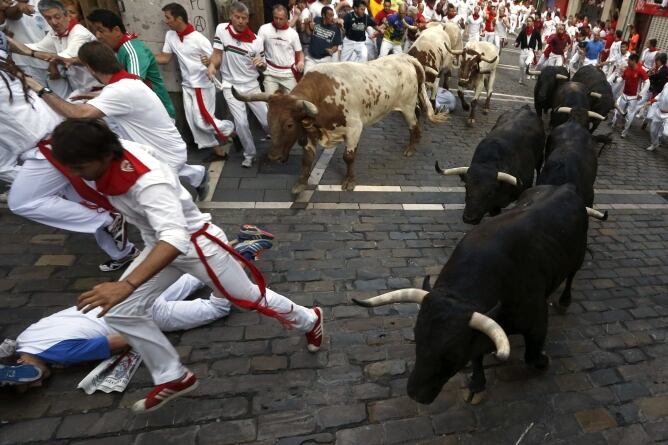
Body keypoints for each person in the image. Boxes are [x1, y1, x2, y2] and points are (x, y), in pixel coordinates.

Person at [48, 118, 324, 413]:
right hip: (161, 244)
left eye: (79, 168)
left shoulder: (148, 182)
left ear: (104, 155)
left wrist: (125, 284)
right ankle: (173, 377)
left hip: (197, 246)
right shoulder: (109, 154)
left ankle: (310, 319)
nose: (75, 175)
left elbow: (175, 239)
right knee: (120, 310)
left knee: (248, 298)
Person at [0, 231, 272, 388]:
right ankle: (239, 243)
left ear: (22, 363)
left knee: (217, 308)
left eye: (29, 382)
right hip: (130, 295)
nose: (34, 386)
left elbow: (125, 340)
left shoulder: (60, 353)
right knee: (190, 276)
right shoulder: (25, 337)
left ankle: (243, 257)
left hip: (139, 316)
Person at [0, 45, 138, 272]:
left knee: (22, 202)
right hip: (48, 137)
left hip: (45, 145)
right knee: (82, 201)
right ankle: (124, 251)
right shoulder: (5, 65)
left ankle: (109, 221)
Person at [23, 41, 209, 196]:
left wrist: (40, 89)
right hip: (167, 148)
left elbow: (78, 114)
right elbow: (122, 99)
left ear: (90, 68)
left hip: (163, 157)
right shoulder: (127, 83)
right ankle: (199, 176)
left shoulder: (119, 90)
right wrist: (99, 98)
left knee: (169, 204)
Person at [154, 3, 233, 162]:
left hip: (201, 86)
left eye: (168, 18)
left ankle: (231, 130)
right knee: (194, 123)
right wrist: (144, 56)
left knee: (203, 122)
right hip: (187, 86)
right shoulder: (171, 35)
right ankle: (219, 152)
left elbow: (216, 61)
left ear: (179, 18)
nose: (166, 21)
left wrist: (208, 62)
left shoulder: (198, 39)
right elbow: (165, 57)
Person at [208, 1, 269, 169]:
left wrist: (261, 64)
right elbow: (217, 54)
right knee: (241, 123)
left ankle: (275, 139)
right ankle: (249, 154)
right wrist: (213, 66)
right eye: (237, 17)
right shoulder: (221, 30)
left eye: (244, 18)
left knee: (266, 121)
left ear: (248, 19)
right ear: (231, 16)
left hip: (252, 85)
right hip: (230, 86)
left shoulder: (256, 41)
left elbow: (264, 67)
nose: (241, 21)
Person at [86, 9, 176, 119]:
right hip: (144, 111)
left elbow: (134, 86)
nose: (98, 36)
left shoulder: (132, 50)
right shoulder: (121, 47)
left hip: (158, 114)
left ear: (116, 30)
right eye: (96, 31)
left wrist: (101, 98)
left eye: (101, 31)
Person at [7, 0, 97, 98]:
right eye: (48, 18)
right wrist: (5, 41)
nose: (53, 22)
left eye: (57, 17)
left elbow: (63, 58)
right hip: (80, 91)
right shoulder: (54, 34)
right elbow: (33, 48)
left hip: (97, 90)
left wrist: (52, 63)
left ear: (67, 15)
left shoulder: (79, 34)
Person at [1, 0, 50, 86]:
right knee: (40, 96)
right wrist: (19, 7)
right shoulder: (8, 4)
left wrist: (52, 62)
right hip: (25, 63)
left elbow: (49, 32)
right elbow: (12, 14)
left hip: (47, 59)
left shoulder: (40, 2)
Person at [258, 4, 304, 93]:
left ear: (287, 18)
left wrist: (301, 61)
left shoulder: (293, 34)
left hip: (288, 74)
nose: (278, 21)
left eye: (281, 19)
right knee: (270, 101)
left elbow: (299, 52)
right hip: (270, 73)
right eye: (276, 18)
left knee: (292, 102)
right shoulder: (264, 29)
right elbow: (258, 48)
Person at [610, 53, 649, 138]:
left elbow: (647, 82)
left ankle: (624, 133)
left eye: (629, 60)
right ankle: (614, 123)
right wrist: (616, 80)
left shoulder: (640, 71)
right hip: (624, 95)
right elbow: (623, 78)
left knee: (629, 116)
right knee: (618, 112)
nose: (627, 62)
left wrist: (641, 94)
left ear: (634, 61)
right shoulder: (627, 69)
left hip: (633, 97)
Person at [304, 5, 342, 71]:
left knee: (323, 80)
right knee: (306, 77)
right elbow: (309, 33)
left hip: (325, 59)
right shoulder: (316, 20)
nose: (332, 18)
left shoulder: (336, 28)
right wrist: (307, 24)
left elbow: (336, 45)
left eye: (333, 15)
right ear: (323, 15)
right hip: (311, 58)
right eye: (330, 15)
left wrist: (332, 50)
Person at [515, 16, 541, 85]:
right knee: (521, 66)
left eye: (530, 21)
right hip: (523, 51)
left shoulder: (536, 31)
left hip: (530, 51)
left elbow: (539, 41)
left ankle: (528, 70)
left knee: (527, 62)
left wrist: (539, 49)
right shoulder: (523, 31)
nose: (528, 22)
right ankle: (521, 78)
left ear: (533, 22)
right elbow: (518, 39)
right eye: (527, 21)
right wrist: (516, 43)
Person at [645, 82, 668, 152]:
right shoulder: (666, 84)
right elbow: (661, 95)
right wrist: (651, 101)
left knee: (665, 133)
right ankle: (654, 144)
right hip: (659, 111)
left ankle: (660, 140)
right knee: (652, 130)